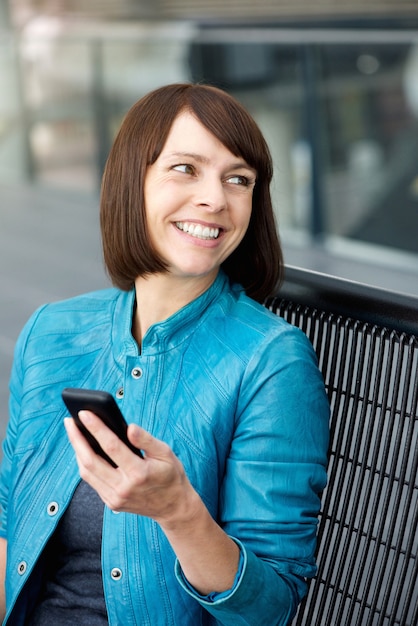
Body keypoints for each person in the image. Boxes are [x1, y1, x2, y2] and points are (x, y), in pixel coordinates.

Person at [0, 83, 329, 625]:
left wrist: (179, 511)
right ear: (134, 181)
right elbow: (11, 524)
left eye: (238, 179)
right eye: (185, 169)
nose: (216, 199)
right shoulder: (51, 331)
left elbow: (268, 608)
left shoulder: (271, 361)